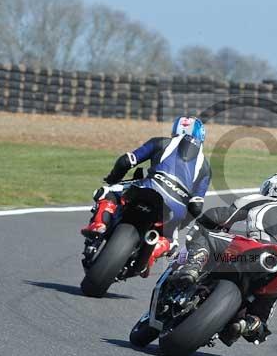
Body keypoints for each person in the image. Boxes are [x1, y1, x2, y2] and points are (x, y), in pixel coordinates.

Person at [178, 173, 277, 345]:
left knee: (206, 235)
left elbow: (223, 215)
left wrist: (201, 224)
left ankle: (193, 266)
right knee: (261, 318)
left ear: (268, 188)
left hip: (256, 249)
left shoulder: (262, 199)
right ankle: (249, 324)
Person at [81, 116, 211, 271]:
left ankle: (99, 224)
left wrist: (113, 179)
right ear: (201, 135)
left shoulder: (160, 142)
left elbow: (125, 161)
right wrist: (179, 224)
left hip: (148, 188)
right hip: (175, 209)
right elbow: (196, 207)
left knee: (107, 192)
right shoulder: (205, 167)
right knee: (171, 240)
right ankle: (153, 252)